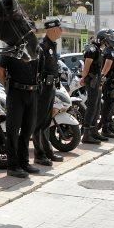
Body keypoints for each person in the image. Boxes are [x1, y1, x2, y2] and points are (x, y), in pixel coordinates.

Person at [0, 49, 41, 178]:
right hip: (16, 93)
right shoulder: (9, 49)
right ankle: (12, 166)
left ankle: (24, 163)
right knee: (13, 130)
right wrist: (7, 87)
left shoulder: (35, 48)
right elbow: (0, 70)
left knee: (28, 129)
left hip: (32, 93)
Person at [33, 19, 64, 166]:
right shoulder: (42, 46)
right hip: (42, 89)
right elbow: (37, 69)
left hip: (50, 88)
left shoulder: (52, 45)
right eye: (59, 28)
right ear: (52, 29)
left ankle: (47, 151)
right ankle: (39, 155)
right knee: (39, 123)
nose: (61, 30)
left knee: (46, 122)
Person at [80, 29, 114, 144]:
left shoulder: (99, 50)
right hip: (91, 81)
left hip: (97, 82)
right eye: (106, 40)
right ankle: (86, 135)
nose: (107, 43)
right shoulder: (92, 49)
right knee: (91, 107)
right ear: (101, 39)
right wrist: (83, 78)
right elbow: (87, 65)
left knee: (96, 107)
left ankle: (94, 131)